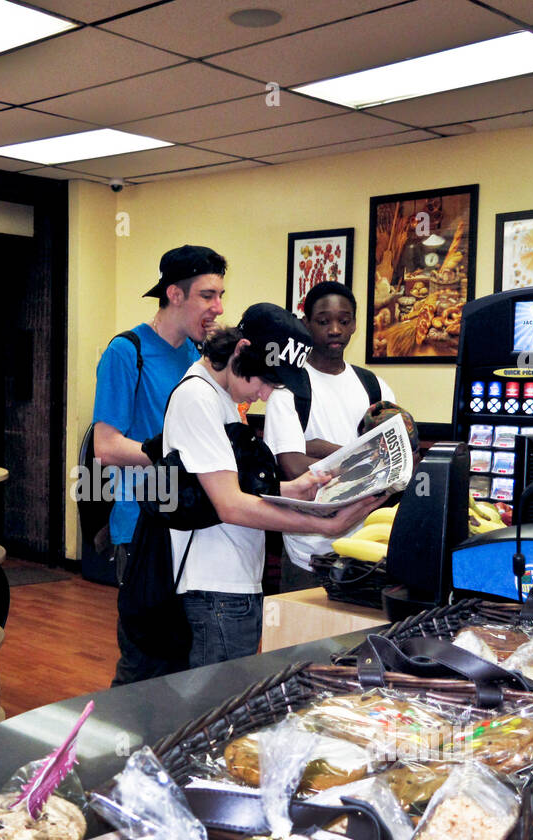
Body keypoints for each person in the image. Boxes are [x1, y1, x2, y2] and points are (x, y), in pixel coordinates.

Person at [164, 303, 389, 668]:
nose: (267, 395)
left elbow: (224, 487)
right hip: (214, 586)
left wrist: (295, 489)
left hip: (237, 580)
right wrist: (324, 525)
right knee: (214, 704)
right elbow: (231, 505)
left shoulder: (222, 397)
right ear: (240, 351)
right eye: (266, 380)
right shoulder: (198, 397)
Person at [93, 244, 227, 686]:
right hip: (140, 530)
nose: (218, 307)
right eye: (208, 295)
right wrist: (168, 451)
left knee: (182, 662)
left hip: (188, 526)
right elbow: (106, 447)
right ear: (174, 294)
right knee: (142, 663)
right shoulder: (125, 351)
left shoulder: (197, 357)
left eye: (220, 295)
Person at [263, 280, 397, 591]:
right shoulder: (288, 390)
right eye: (323, 321)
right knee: (300, 640)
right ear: (306, 323)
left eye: (344, 320)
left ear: (354, 325)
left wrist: (320, 448)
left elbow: (400, 457)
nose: (335, 329)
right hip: (307, 554)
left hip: (368, 550)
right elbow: (294, 467)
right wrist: (366, 456)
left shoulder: (374, 386)